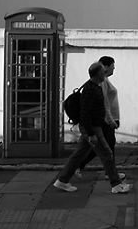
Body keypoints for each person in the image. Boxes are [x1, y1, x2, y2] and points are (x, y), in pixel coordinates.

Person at [53, 60, 131, 194]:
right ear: (96, 74)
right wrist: (91, 133)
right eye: (102, 71)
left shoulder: (96, 86)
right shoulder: (90, 90)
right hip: (93, 128)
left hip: (94, 126)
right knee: (106, 153)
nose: (105, 73)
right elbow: (85, 113)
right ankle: (116, 184)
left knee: (78, 155)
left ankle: (62, 180)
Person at [74, 56, 124, 180]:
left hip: (106, 118)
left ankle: (77, 167)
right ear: (105, 67)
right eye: (113, 65)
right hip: (105, 120)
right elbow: (104, 103)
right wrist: (111, 120)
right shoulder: (102, 82)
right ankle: (112, 176)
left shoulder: (104, 80)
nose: (114, 68)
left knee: (99, 147)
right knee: (105, 148)